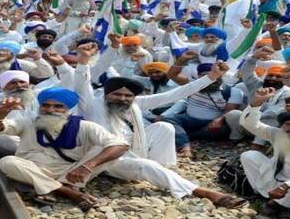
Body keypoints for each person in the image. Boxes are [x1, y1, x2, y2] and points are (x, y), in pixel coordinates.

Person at [0, 88, 245, 210]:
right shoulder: (26, 121)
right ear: (40, 107)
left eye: (58, 107)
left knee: (115, 152)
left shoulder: (84, 125)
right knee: (8, 163)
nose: (51, 111)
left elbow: (120, 144)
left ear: (67, 110)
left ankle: (201, 191)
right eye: (47, 106)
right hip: (38, 169)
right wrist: (0, 112)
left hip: (74, 172)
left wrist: (88, 165)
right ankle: (70, 194)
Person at [75, 44, 229, 166]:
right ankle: (155, 170)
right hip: (102, 155)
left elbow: (175, 94)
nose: (122, 98)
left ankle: (163, 165)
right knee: (145, 167)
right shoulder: (91, 103)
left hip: (132, 150)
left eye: (127, 95)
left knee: (165, 127)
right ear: (106, 94)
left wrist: (211, 78)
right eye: (117, 94)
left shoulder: (135, 103)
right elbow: (82, 83)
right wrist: (83, 60)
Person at [163, 62, 245, 156]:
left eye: (213, 74)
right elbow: (171, 75)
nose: (210, 78)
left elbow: (229, 112)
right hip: (188, 120)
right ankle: (185, 146)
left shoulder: (233, 92)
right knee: (168, 120)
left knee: (224, 131)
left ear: (220, 75)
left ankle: (184, 135)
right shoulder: (193, 84)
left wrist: (218, 120)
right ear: (198, 76)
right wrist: (182, 60)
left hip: (211, 125)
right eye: (204, 75)